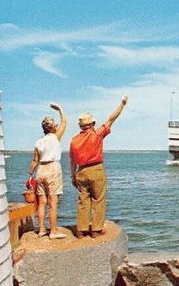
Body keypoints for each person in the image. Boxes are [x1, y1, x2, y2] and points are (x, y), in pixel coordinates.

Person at [69, 96, 128, 237]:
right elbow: (111, 119)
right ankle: (96, 230)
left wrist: (72, 176)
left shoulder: (74, 140)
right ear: (92, 124)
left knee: (83, 201)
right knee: (98, 200)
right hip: (96, 169)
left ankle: (81, 230)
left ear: (81, 126)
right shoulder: (97, 134)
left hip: (80, 171)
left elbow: (72, 160)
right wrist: (122, 105)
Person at [27, 103, 67, 238]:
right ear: (53, 127)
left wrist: (29, 175)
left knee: (42, 202)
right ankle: (53, 231)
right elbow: (65, 122)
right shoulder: (56, 137)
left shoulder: (38, 142)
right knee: (53, 202)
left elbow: (35, 160)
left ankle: (42, 229)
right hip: (53, 168)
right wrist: (60, 109)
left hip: (41, 170)